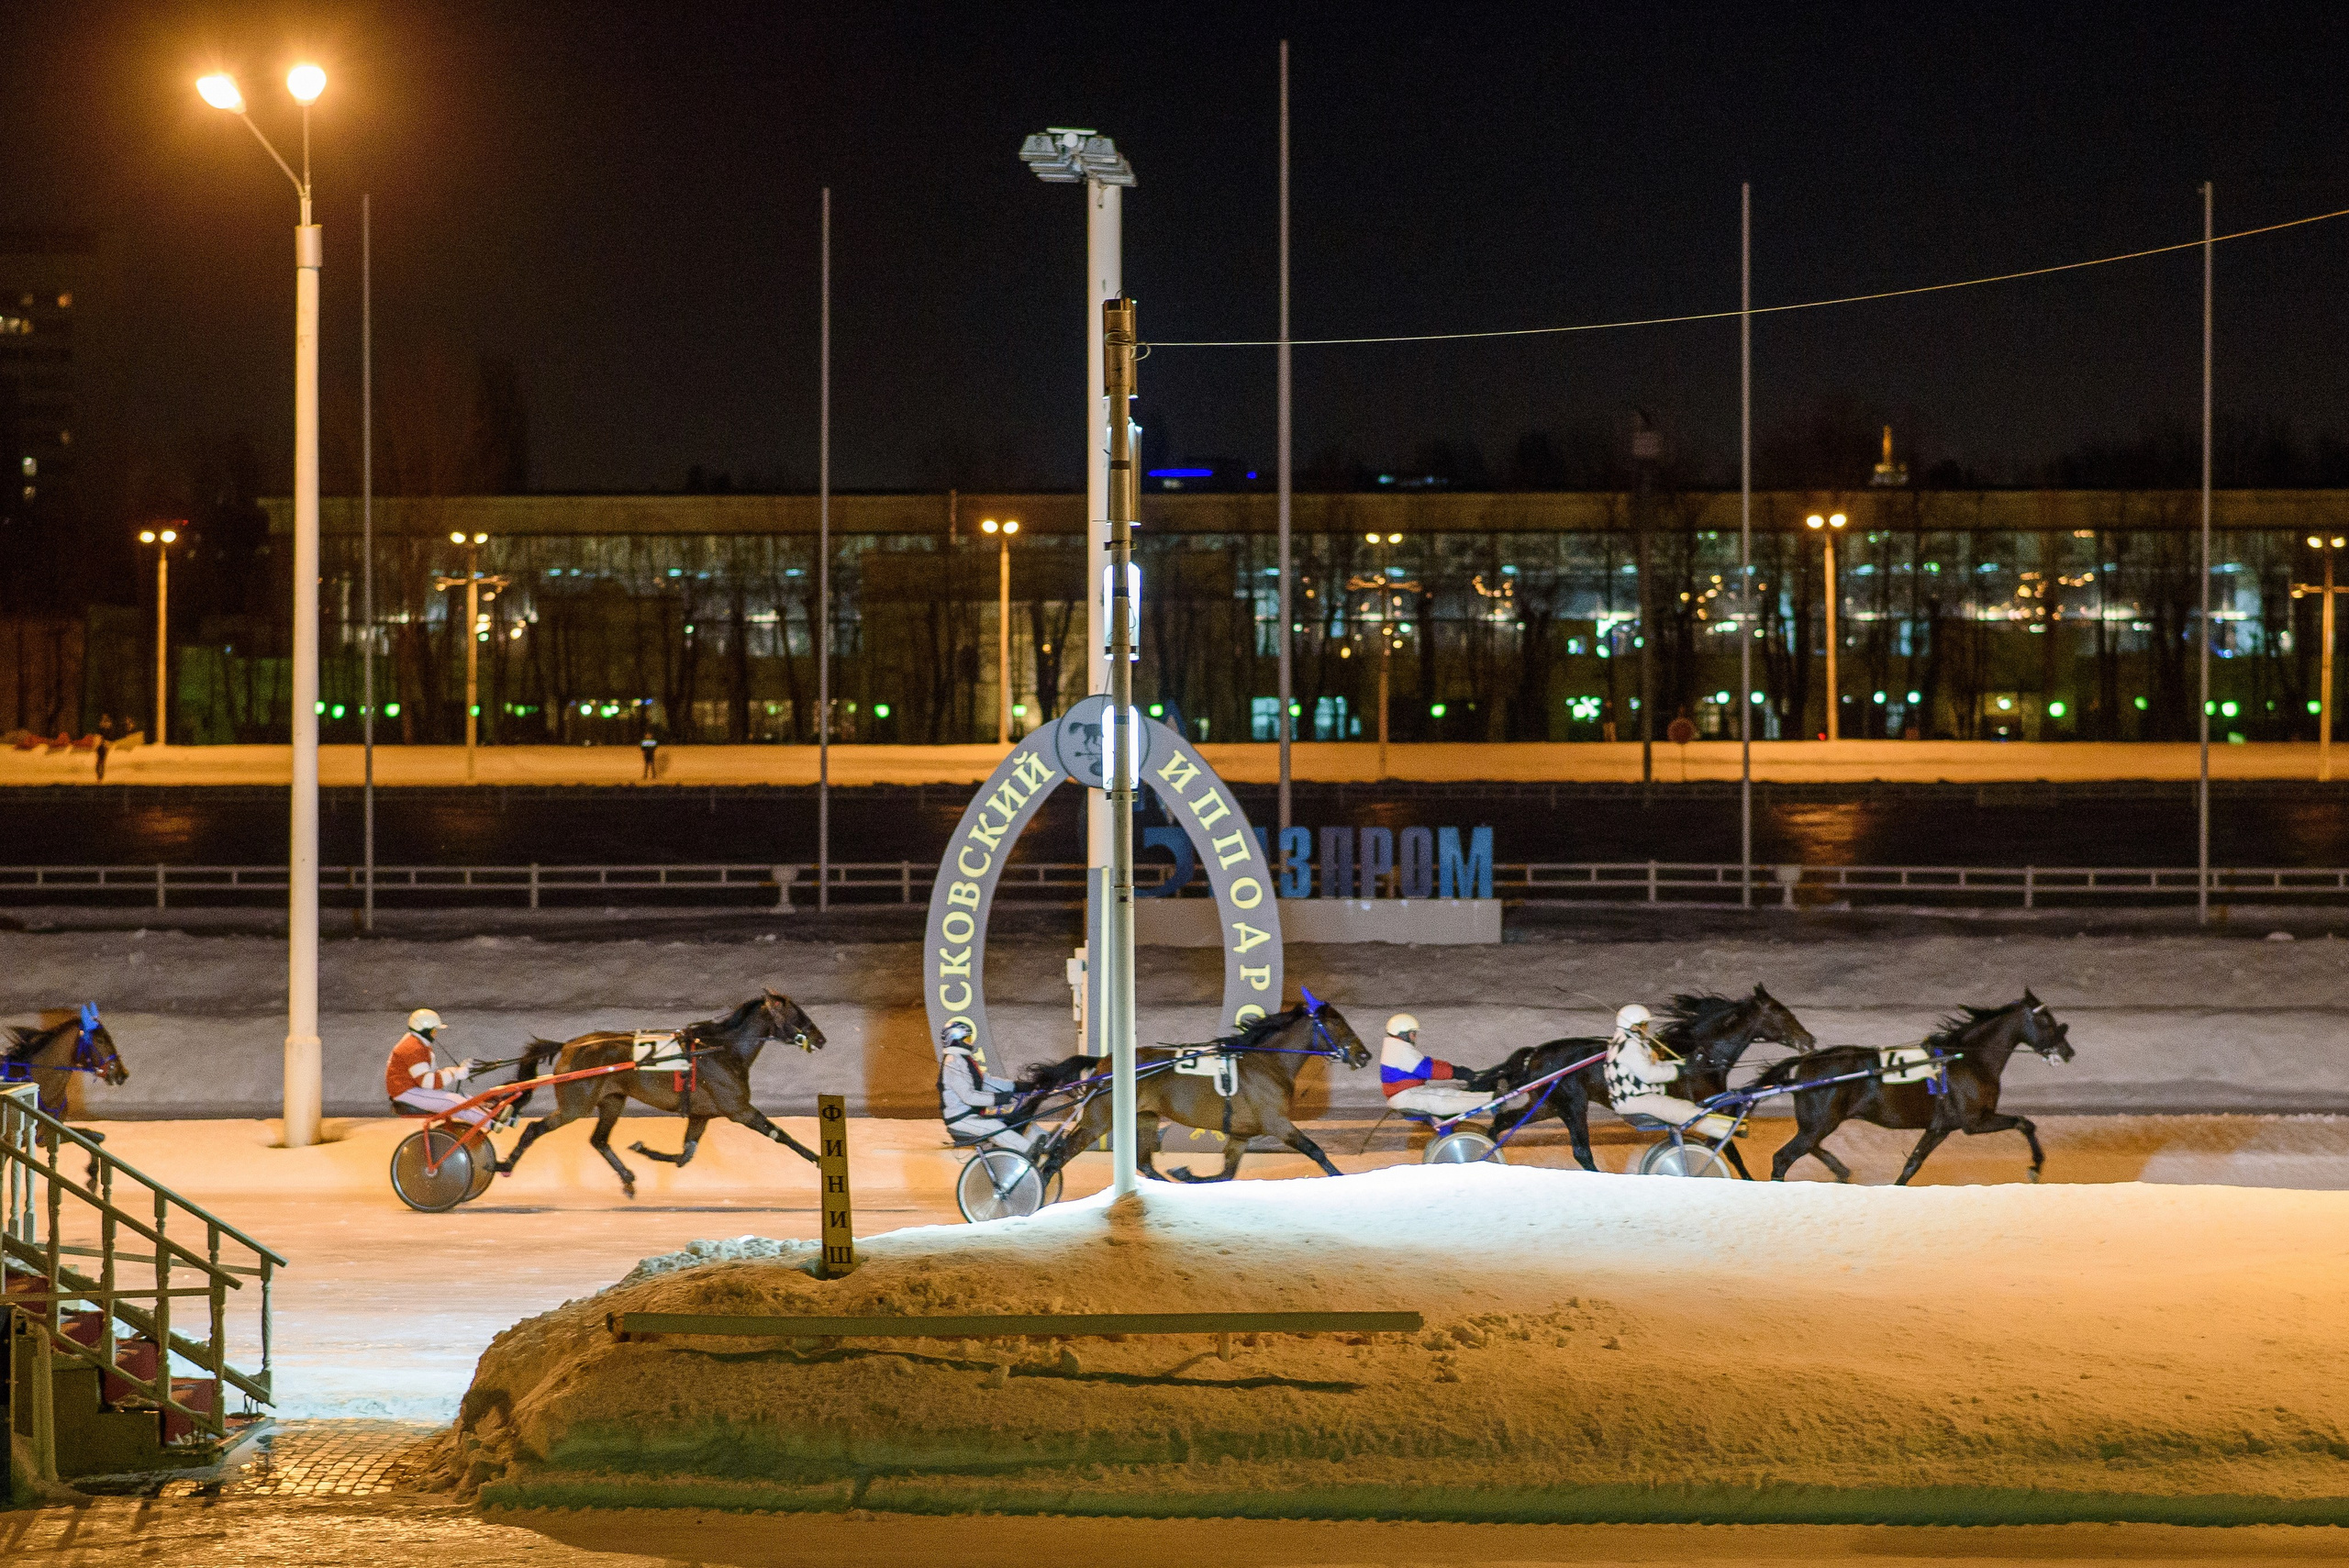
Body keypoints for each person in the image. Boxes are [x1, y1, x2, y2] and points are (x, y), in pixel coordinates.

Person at [1603, 1003, 1737, 1140]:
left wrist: (1682, 1063)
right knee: (1684, 1111)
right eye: (1644, 1025)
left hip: (1633, 1098)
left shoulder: (1624, 1041)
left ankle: (1725, 1127)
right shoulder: (1630, 1046)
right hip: (1634, 1100)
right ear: (1634, 1027)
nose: (1647, 1028)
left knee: (1685, 1107)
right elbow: (1649, 1075)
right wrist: (1679, 1071)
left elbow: (1656, 1064)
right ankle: (1726, 1130)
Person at [936, 1020, 1037, 1152]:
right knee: (995, 1127)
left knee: (1016, 1119)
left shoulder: (963, 1059)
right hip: (960, 1118)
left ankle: (1043, 1140)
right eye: (967, 1039)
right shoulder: (953, 1062)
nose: (971, 1042)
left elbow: (986, 1082)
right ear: (955, 1039)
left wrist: (1015, 1086)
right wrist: (1000, 1098)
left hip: (971, 1115)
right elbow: (969, 1097)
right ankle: (1030, 1152)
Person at [1377, 1012, 1487, 1118]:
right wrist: (1457, 1072)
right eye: (1413, 1033)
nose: (1414, 1037)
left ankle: (1491, 1098)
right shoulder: (1399, 1049)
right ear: (1403, 1033)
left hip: (1408, 1093)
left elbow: (1427, 1065)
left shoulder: (1394, 1047)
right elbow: (1428, 1069)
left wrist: (1456, 1071)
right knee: (1449, 1101)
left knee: (1449, 1094)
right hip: (1406, 1096)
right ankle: (1494, 1099)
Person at [384, 1007, 485, 1123]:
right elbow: (427, 1082)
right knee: (456, 1101)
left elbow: (431, 1075)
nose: (435, 1034)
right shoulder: (413, 1048)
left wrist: (456, 1070)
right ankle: (494, 1123)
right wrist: (455, 1074)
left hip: (412, 1089)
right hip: (405, 1092)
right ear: (425, 1030)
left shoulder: (419, 1044)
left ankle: (493, 1113)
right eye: (433, 1031)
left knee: (464, 1098)